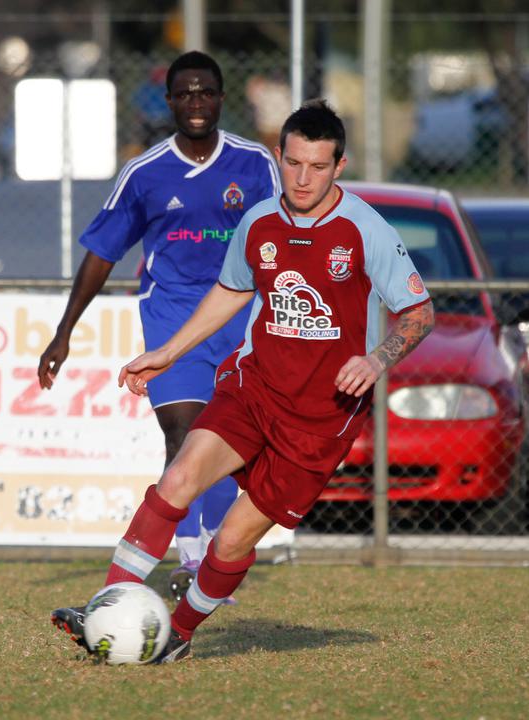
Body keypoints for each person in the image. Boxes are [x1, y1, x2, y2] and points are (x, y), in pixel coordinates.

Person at [52, 100, 435, 663]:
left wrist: (377, 359)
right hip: (252, 389)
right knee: (180, 476)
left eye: (319, 166)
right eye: (294, 163)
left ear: (340, 166)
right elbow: (231, 290)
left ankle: (178, 635)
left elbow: (420, 312)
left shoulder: (363, 228)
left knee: (232, 540)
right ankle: (106, 606)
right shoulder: (258, 221)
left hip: (320, 419)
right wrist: (165, 352)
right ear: (279, 156)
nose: (303, 178)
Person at [38, 51, 281, 606]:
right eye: (185, 93)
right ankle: (193, 560)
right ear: (169, 102)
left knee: (232, 441)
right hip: (171, 315)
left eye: (206, 92)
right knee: (184, 431)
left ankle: (215, 554)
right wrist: (64, 330)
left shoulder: (254, 164)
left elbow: (281, 236)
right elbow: (102, 253)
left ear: (222, 98)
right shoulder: (145, 173)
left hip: (239, 317)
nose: (196, 102)